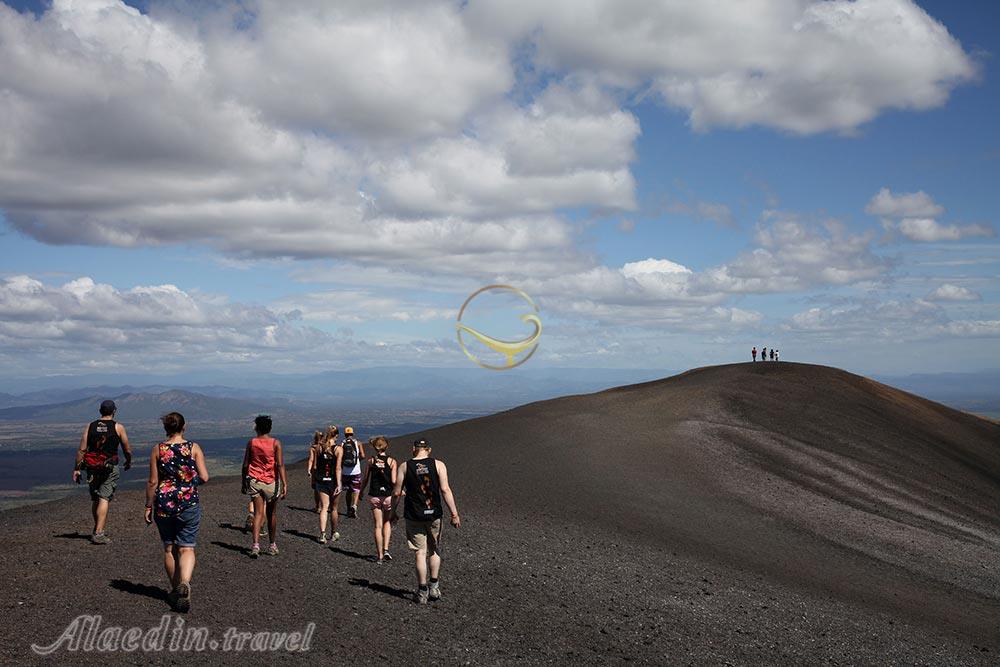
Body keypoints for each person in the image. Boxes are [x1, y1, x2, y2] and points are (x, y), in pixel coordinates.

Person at [145, 412, 209, 613]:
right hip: (188, 502)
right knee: (187, 548)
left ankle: (175, 591)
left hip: (164, 504)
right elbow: (205, 477)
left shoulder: (158, 449)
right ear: (184, 426)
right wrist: (188, 483)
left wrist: (148, 505)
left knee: (169, 549)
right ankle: (186, 583)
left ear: (166, 428)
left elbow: (153, 482)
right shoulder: (193, 448)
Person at [391, 438, 460, 604]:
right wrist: (454, 513)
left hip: (414, 515)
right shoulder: (438, 465)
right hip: (434, 514)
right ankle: (434, 586)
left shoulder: (405, 466)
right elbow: (445, 489)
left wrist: (393, 512)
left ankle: (422, 590)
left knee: (419, 552)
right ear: (428, 449)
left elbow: (397, 492)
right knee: (434, 549)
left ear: (413, 449)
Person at [72, 399, 133, 544]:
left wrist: (77, 469)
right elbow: (127, 448)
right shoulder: (118, 427)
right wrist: (128, 460)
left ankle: (97, 528)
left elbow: (82, 450)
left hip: (92, 467)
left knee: (96, 498)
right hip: (109, 467)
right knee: (104, 497)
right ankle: (99, 533)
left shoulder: (90, 426)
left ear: (100, 411)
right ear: (114, 411)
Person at [242, 415, 288, 558]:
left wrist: (244, 482)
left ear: (257, 427)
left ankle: (255, 545)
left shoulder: (252, 443)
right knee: (271, 514)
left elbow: (245, 464)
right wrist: (284, 483)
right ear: (269, 428)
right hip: (271, 482)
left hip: (254, 481)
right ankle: (272, 545)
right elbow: (279, 465)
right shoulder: (275, 443)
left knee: (257, 513)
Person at [358, 436, 397, 563]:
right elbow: (393, 481)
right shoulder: (392, 461)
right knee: (387, 522)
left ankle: (379, 555)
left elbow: (365, 479)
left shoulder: (371, 461)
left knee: (378, 526)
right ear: (386, 446)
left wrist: (361, 492)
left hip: (374, 495)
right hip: (387, 496)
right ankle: (386, 549)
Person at [310, 428, 342, 543]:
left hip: (321, 480)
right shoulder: (338, 449)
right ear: (336, 436)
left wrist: (314, 478)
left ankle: (322, 534)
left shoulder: (318, 447)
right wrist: (339, 483)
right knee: (334, 508)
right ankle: (333, 533)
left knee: (324, 507)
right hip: (333, 481)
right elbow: (338, 468)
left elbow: (315, 466)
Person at [339, 426, 365, 519]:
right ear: (352, 434)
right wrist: (357, 461)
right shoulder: (358, 443)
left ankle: (347, 509)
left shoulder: (341, 444)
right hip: (356, 470)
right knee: (356, 489)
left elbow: (339, 457)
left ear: (345, 434)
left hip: (345, 471)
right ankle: (354, 506)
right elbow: (363, 455)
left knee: (348, 491)